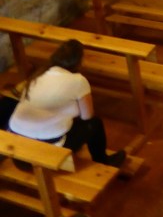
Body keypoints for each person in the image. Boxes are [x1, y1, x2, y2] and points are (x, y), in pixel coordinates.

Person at [8, 39, 125, 168]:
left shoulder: (38, 75)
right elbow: (87, 116)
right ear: (78, 62)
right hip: (43, 155)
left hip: (16, 151)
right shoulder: (78, 80)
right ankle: (103, 161)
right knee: (94, 124)